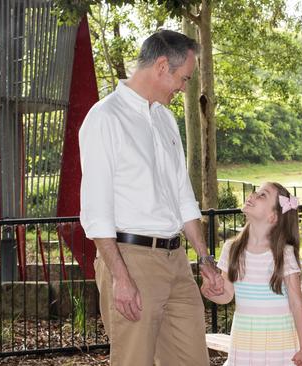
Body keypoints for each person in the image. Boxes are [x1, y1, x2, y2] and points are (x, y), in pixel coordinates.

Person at [79, 30, 224, 365]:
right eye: (184, 78)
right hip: (131, 259)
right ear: (162, 66)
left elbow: (183, 195)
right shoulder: (104, 118)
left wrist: (204, 260)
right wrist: (121, 277)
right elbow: (96, 210)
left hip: (176, 262)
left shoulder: (164, 118)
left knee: (193, 360)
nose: (184, 88)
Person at [202, 182, 302, 366]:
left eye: (263, 195)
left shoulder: (283, 254)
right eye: (256, 192)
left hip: (279, 347)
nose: (253, 195)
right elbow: (227, 295)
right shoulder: (231, 249)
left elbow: (296, 303)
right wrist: (212, 291)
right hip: (244, 344)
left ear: (273, 216)